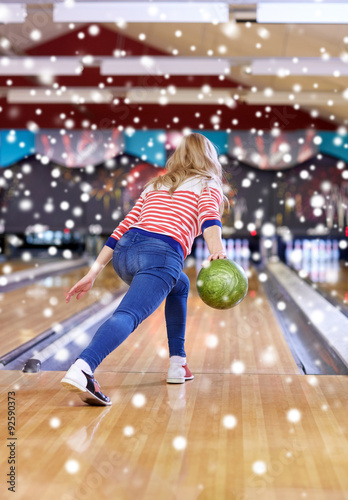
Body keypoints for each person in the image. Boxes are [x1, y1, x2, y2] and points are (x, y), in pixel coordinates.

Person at [61, 132, 230, 406]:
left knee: (181, 285)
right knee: (128, 315)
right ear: (209, 157)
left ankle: (178, 363)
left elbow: (122, 228)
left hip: (125, 254)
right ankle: (84, 367)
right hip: (160, 255)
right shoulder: (208, 183)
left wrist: (93, 272)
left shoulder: (156, 184)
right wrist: (216, 251)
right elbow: (209, 218)